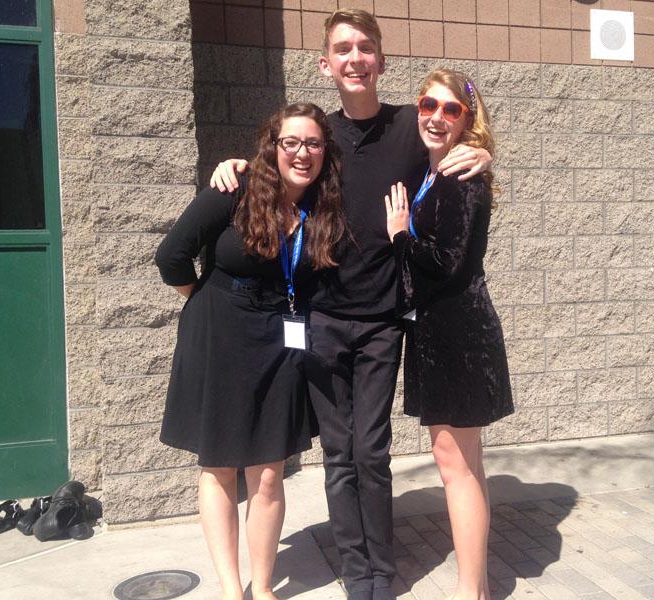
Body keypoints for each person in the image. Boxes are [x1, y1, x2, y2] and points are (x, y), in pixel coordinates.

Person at [209, 10, 492, 599]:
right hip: (320, 319)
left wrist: (483, 155)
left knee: (372, 452)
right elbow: (275, 165)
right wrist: (232, 165)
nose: (355, 58)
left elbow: (455, 136)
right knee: (338, 456)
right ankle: (355, 573)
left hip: (383, 322)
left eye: (366, 48)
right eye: (343, 49)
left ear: (381, 61)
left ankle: (381, 575)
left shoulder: (411, 129)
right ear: (326, 64)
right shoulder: (320, 136)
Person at [155, 102, 345, 600]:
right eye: (291, 142)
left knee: (268, 470)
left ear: (325, 152)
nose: (302, 153)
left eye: (313, 143)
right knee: (219, 464)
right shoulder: (234, 188)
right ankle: (230, 588)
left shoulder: (324, 205)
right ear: (273, 146)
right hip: (219, 331)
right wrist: (200, 298)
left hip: (280, 337)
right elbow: (171, 254)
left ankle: (262, 587)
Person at [384, 69, 514, 600]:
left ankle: (468, 592)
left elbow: (448, 262)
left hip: (458, 333)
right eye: (427, 105)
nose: (436, 116)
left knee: (453, 464)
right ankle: (477, 587)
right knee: (466, 461)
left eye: (450, 109)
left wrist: (399, 237)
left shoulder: (462, 177)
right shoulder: (434, 172)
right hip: (441, 331)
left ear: (467, 119)